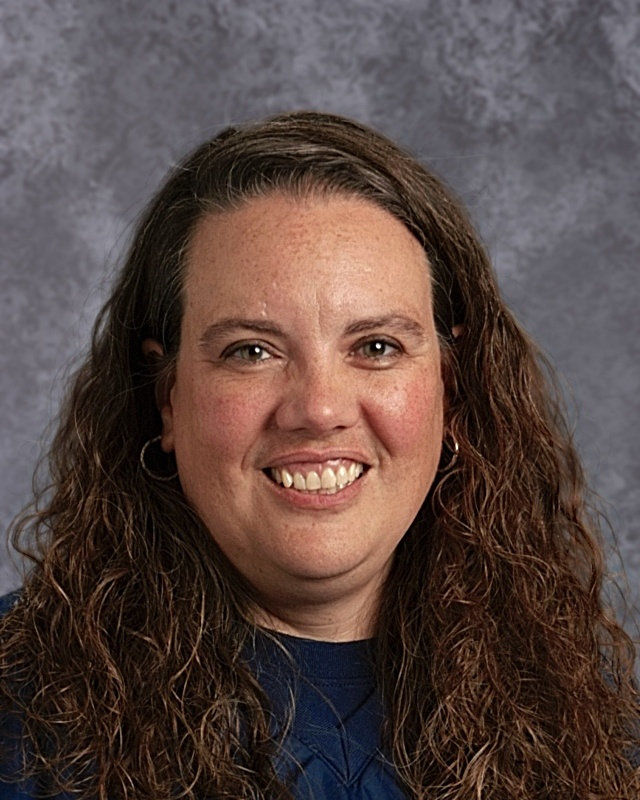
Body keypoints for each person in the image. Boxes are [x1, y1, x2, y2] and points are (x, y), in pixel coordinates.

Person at [0, 111, 638, 799]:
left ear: (450, 391)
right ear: (167, 399)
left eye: (376, 347)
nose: (319, 408)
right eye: (251, 351)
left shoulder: (584, 722)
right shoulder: (18, 702)